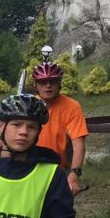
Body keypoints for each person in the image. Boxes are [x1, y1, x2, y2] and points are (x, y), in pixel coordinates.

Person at [32, 61, 88, 195]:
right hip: (28, 168)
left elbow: (79, 144)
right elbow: (7, 135)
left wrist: (74, 175)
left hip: (58, 170)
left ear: (59, 83)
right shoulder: (29, 104)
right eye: (43, 82)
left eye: (53, 81)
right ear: (35, 85)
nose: (48, 86)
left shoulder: (72, 107)